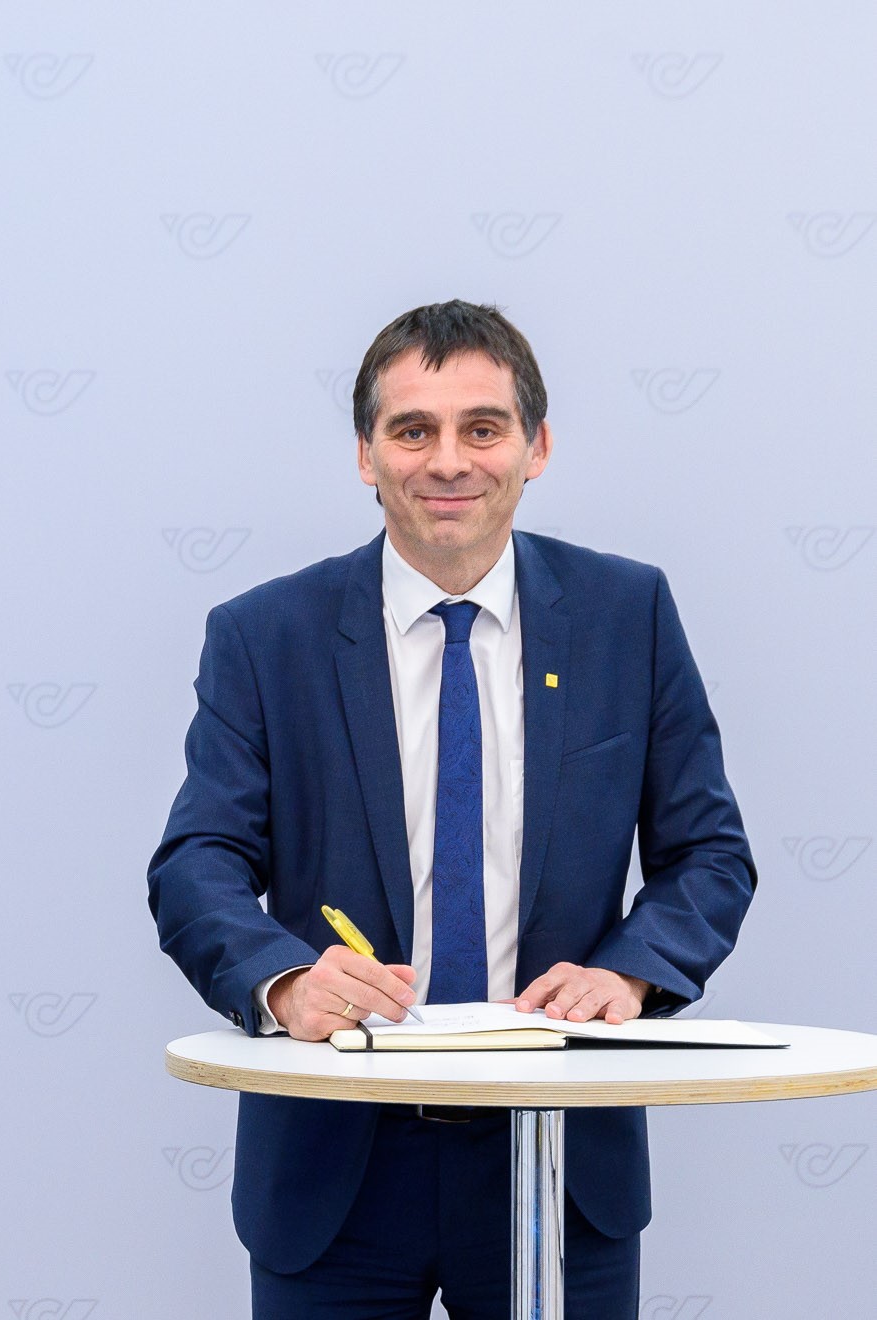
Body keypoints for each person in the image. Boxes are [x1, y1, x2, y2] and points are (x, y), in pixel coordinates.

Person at [147, 300, 754, 1317]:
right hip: (334, 1156)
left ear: (536, 446)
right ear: (365, 454)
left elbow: (709, 855)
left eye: (482, 428)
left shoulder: (628, 614)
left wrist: (627, 973)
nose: (447, 461)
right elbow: (195, 861)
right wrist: (284, 982)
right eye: (412, 430)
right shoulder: (265, 634)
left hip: (559, 1153)